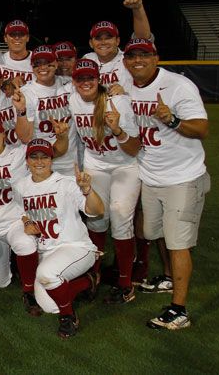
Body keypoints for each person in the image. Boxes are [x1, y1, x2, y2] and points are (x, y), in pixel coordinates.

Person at [124, 38, 210, 330]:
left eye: (144, 55)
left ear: (156, 57)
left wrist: (171, 119)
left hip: (183, 177)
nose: (138, 60)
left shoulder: (178, 85)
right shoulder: (128, 87)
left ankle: (179, 309)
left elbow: (201, 128)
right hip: (152, 174)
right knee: (153, 231)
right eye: (133, 55)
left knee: (178, 242)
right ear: (125, 61)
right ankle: (169, 277)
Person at [14, 139, 104, 339]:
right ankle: (88, 281)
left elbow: (97, 210)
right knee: (48, 306)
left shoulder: (67, 183)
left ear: (51, 160)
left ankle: (68, 317)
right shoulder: (20, 186)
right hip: (48, 251)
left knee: (47, 274)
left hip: (76, 247)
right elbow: (21, 211)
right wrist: (25, 221)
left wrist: (88, 190)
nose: (39, 161)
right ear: (27, 160)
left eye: (44, 156)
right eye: (34, 157)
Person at [69, 59, 141, 304]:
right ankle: (94, 275)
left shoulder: (117, 101)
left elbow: (134, 148)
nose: (86, 82)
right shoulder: (71, 99)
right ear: (74, 81)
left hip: (124, 166)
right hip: (96, 165)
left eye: (90, 78)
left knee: (120, 216)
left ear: (99, 79)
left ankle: (124, 283)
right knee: (96, 219)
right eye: (81, 79)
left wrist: (119, 130)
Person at [0, 116, 43, 315]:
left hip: (15, 221)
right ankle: (11, 264)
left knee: (26, 244)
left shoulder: (19, 153)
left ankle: (29, 291)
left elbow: (44, 148)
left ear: (4, 134)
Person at [14, 45, 78, 175]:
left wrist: (115, 90)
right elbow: (25, 137)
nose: (43, 67)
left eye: (48, 63)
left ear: (55, 64)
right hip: (41, 163)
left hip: (70, 163)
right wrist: (21, 111)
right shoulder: (26, 93)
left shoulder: (69, 85)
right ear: (32, 67)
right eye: (38, 64)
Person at [83, 0, 153, 93]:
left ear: (118, 41)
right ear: (91, 43)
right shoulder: (87, 60)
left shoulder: (128, 59)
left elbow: (143, 40)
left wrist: (137, 9)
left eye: (109, 37)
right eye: (98, 38)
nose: (103, 42)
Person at [0, 20, 34, 84]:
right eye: (12, 34)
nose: (17, 37)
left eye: (21, 34)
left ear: (27, 38)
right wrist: (9, 82)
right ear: (5, 38)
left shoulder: (38, 59)